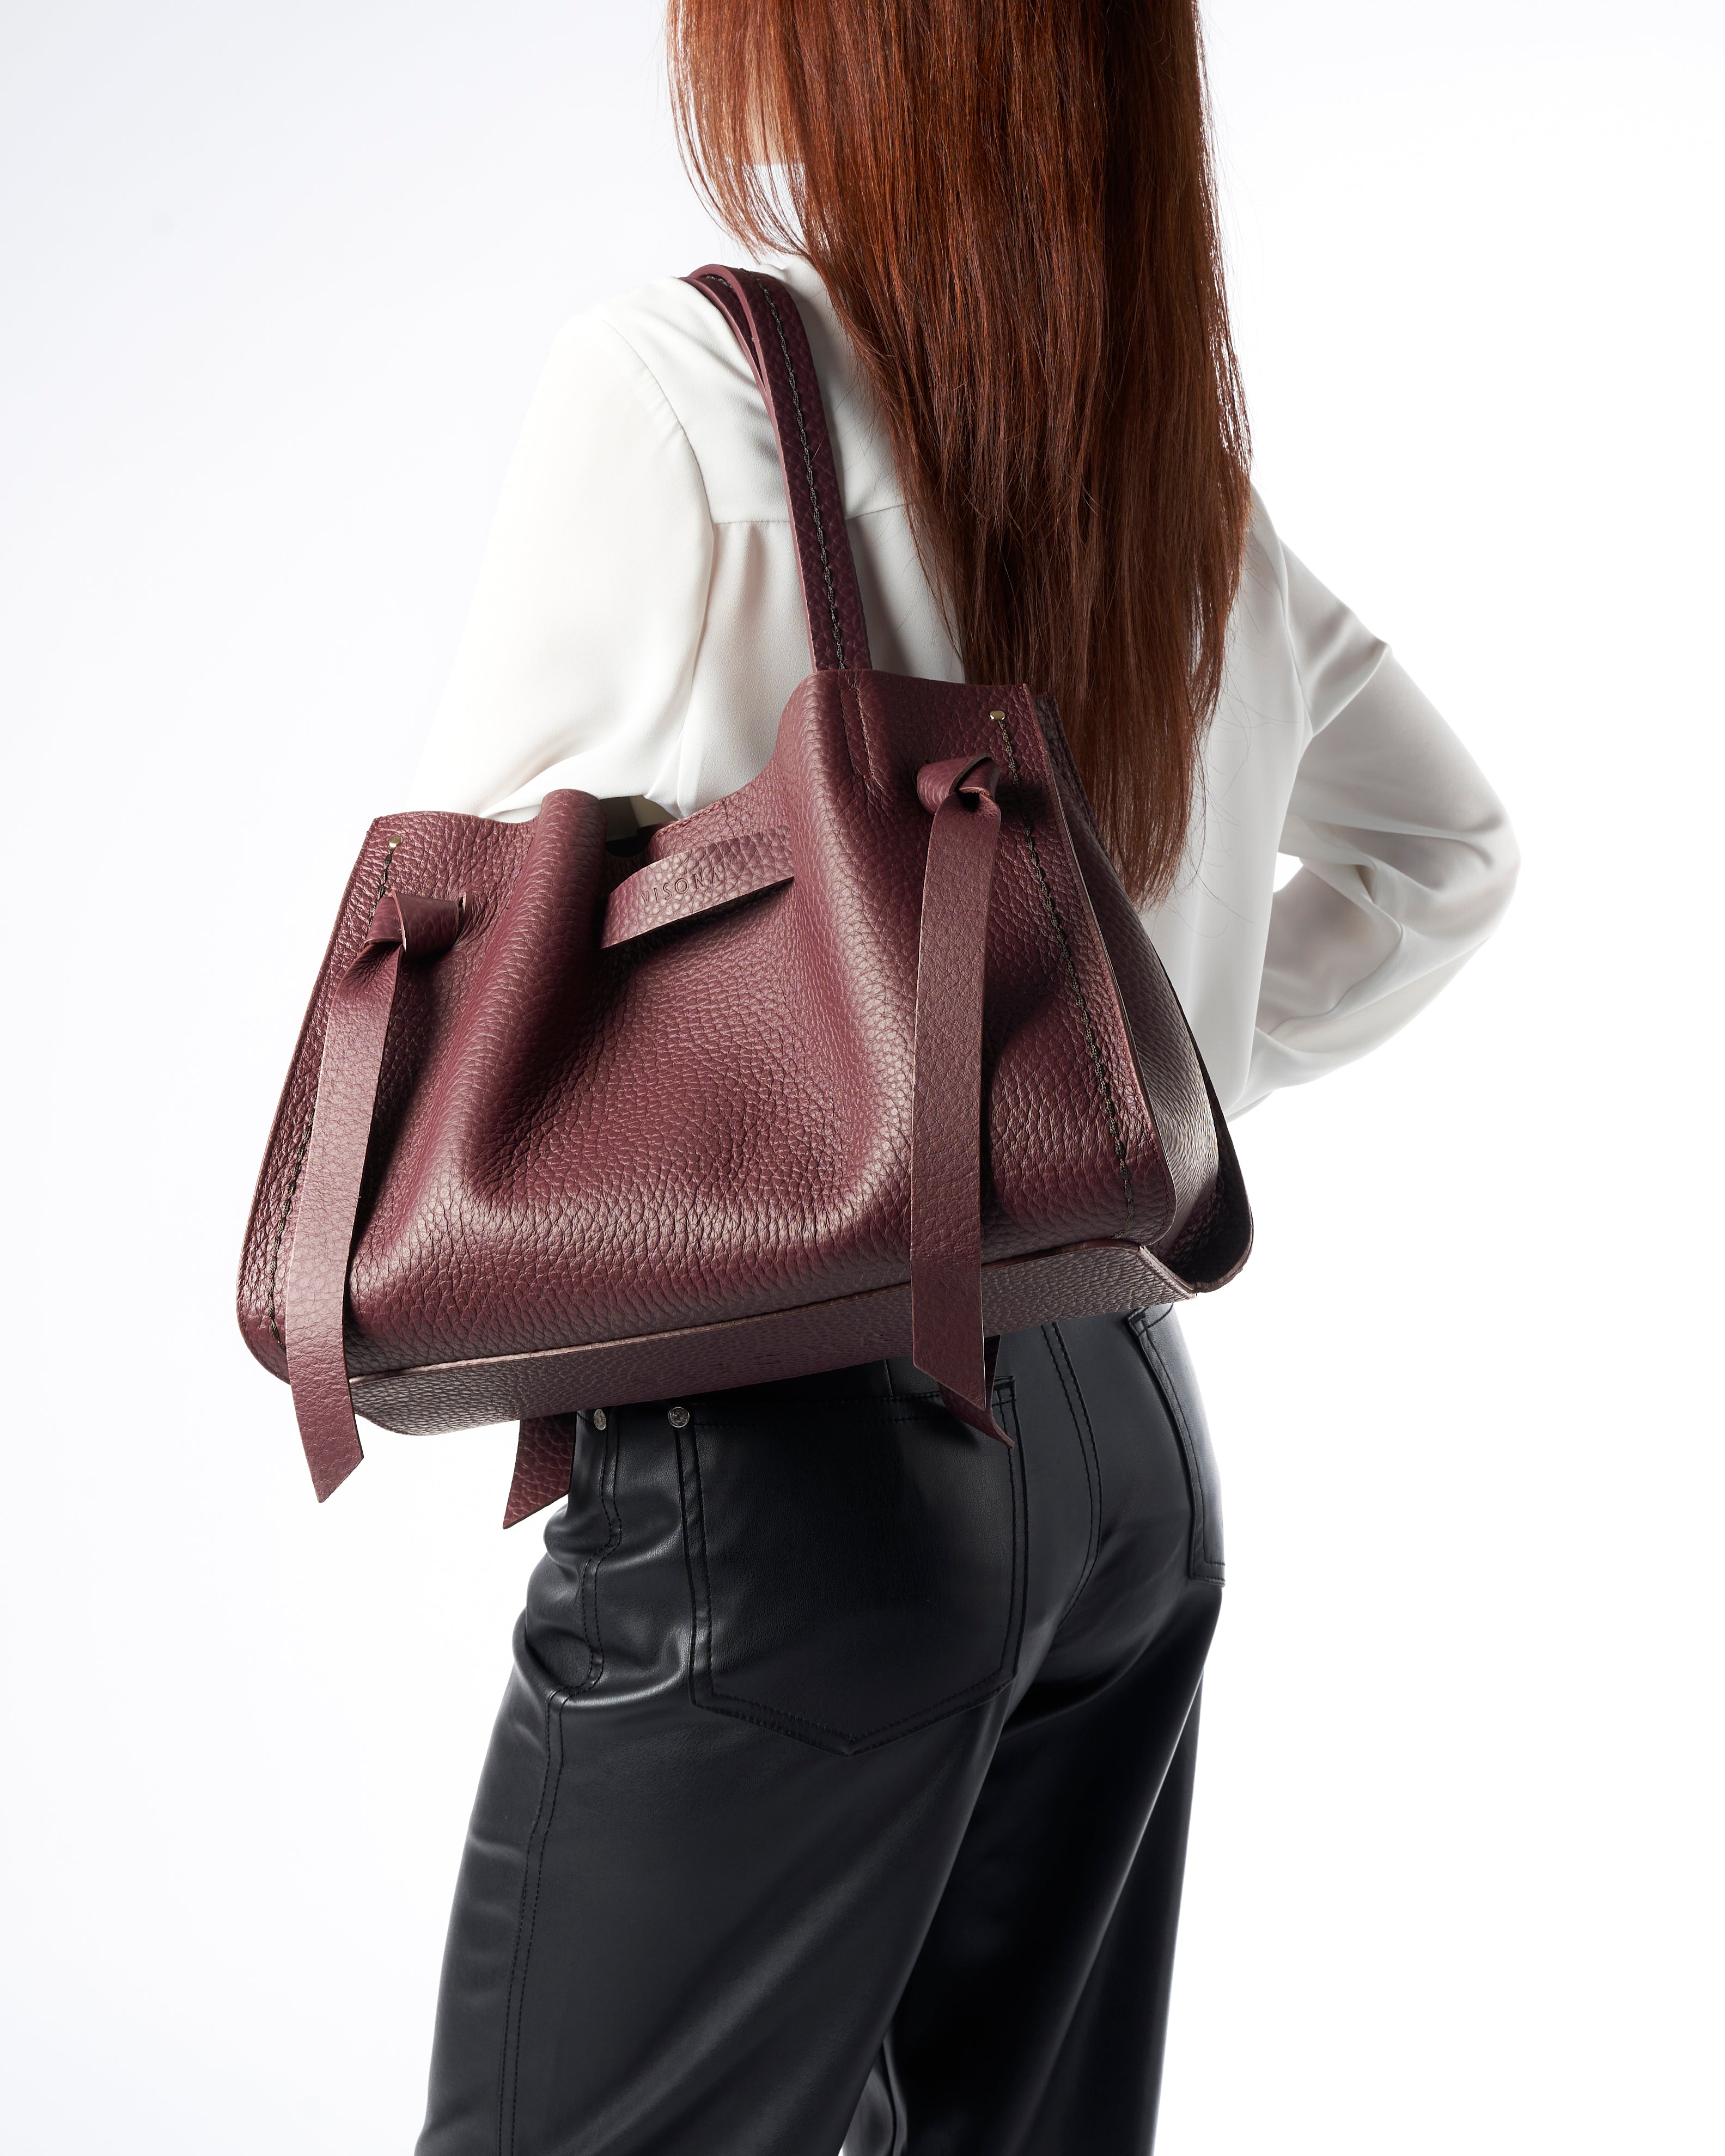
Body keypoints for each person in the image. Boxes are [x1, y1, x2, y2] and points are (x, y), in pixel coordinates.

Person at [407, 4, 1517, 2151]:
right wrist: (1118, 1092)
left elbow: (468, 963)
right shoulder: (1165, 478)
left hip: (793, 1464)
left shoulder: (685, 390)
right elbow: (1446, 853)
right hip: (1126, 1442)